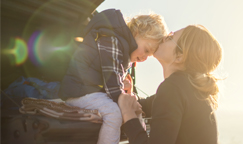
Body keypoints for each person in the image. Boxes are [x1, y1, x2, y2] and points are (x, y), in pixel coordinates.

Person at [58, 9, 168, 144]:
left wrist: (127, 93)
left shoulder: (123, 48)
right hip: (80, 92)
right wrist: (124, 100)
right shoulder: (111, 38)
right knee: (114, 114)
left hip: (93, 92)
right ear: (137, 32)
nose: (144, 57)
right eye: (146, 50)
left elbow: (112, 79)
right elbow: (111, 77)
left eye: (148, 55)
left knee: (134, 108)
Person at [118, 25, 222, 144]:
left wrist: (128, 114)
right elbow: (146, 105)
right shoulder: (189, 89)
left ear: (179, 57)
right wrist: (129, 95)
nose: (163, 37)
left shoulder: (173, 88)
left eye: (170, 37)